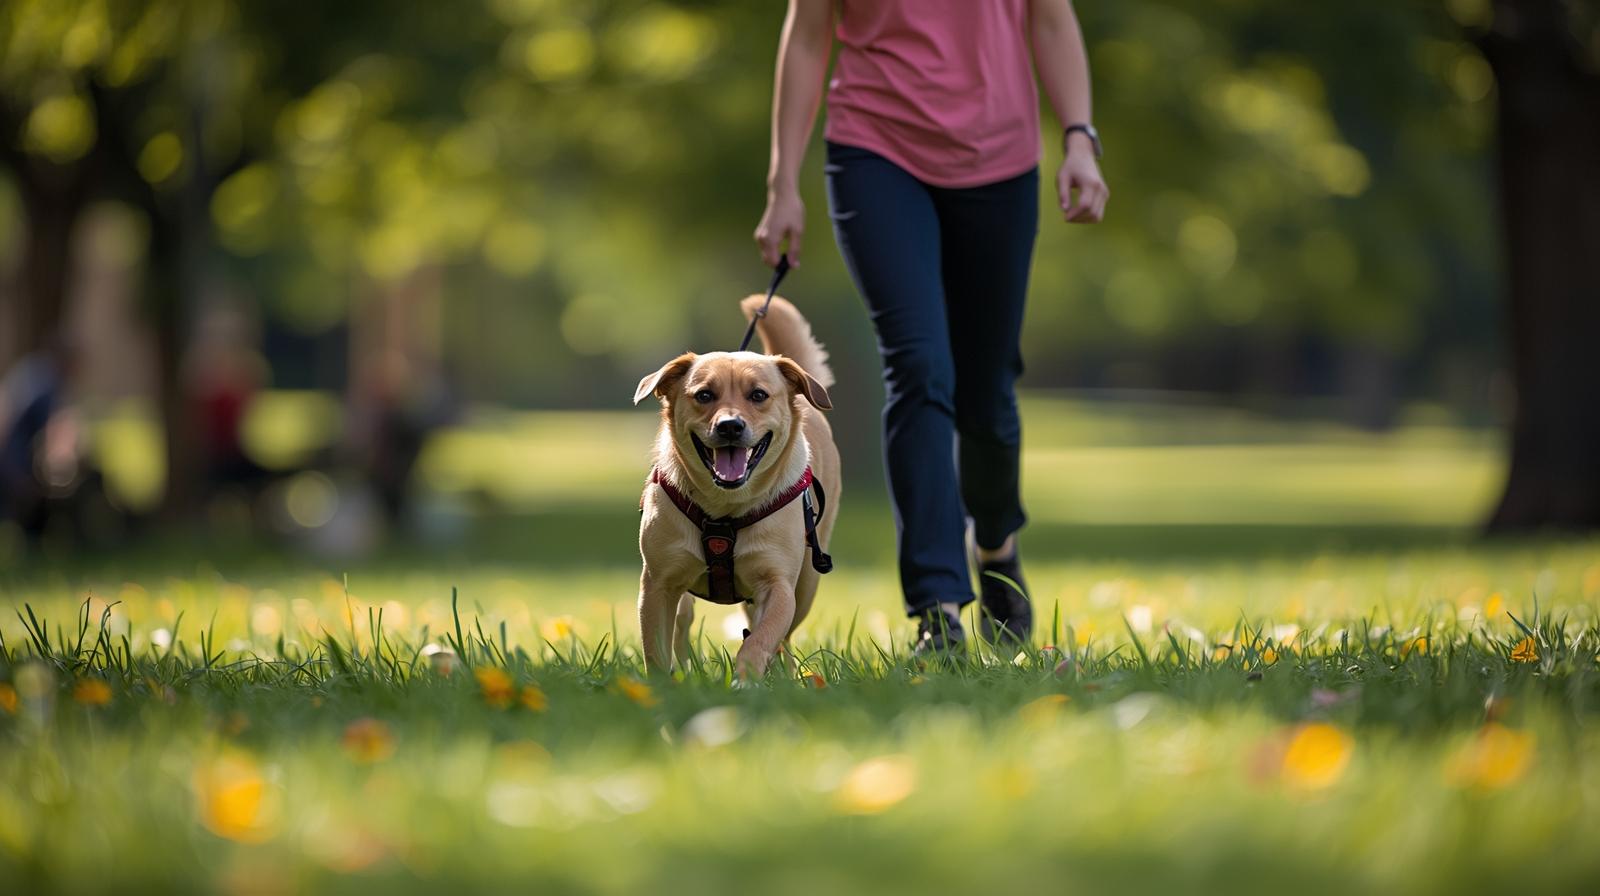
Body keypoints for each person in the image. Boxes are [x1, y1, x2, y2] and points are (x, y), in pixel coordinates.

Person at [755, 0, 1109, 652]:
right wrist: (784, 186)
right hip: (875, 151)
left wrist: (1080, 139)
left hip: (1000, 161)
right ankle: (938, 605)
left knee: (988, 388)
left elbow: (1052, 21)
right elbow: (806, 39)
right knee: (918, 366)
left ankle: (996, 544)